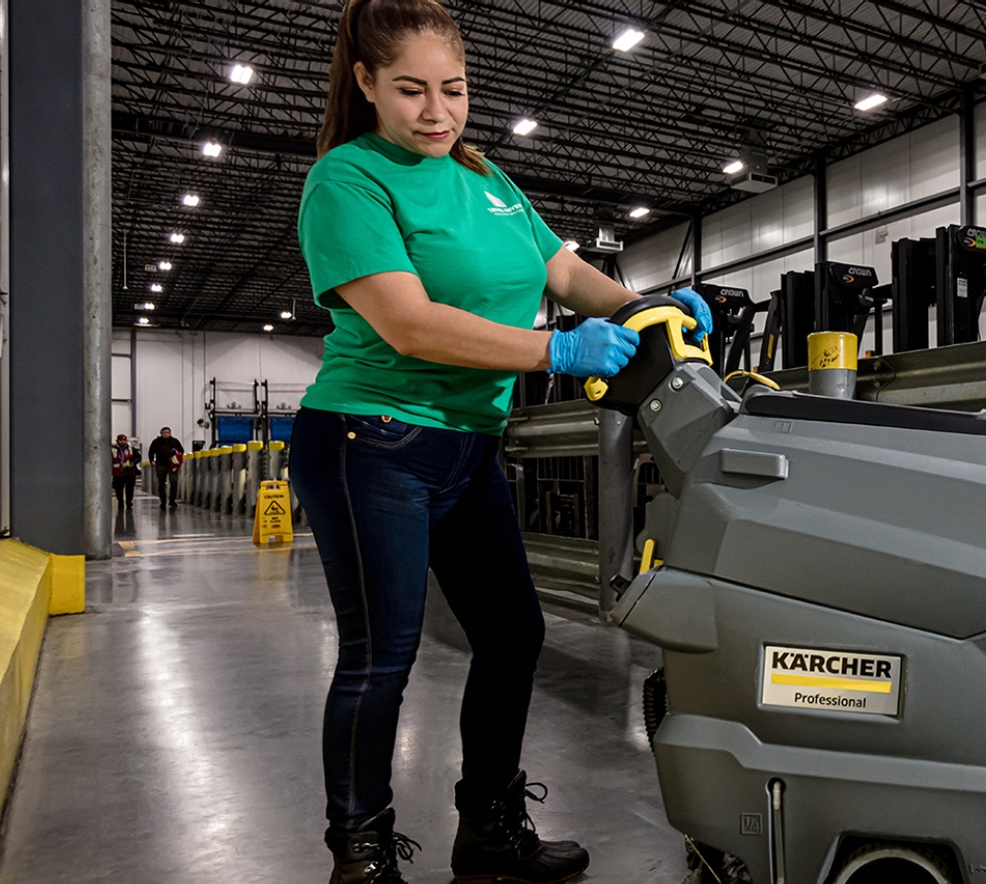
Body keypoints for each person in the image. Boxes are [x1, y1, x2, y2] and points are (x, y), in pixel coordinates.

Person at [292, 2, 714, 882]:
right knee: (382, 656)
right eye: (410, 90)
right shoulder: (348, 178)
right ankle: (360, 854)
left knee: (512, 634)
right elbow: (409, 325)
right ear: (366, 84)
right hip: (371, 441)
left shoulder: (487, 177)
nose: (436, 112)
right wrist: (555, 348)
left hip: (467, 447)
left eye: (453, 89)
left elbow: (562, 271)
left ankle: (488, 828)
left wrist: (647, 306)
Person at [148, 427, 185, 510]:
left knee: (174, 481)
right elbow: (151, 451)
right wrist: (151, 460)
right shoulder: (156, 442)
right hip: (161, 464)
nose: (166, 434)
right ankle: (163, 501)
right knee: (161, 483)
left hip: (172, 465)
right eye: (164, 432)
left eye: (168, 432)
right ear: (161, 433)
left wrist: (177, 458)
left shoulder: (175, 441)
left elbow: (181, 451)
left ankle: (172, 500)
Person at [110, 434, 139, 510]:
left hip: (129, 472)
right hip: (117, 473)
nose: (123, 442)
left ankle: (129, 501)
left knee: (130, 488)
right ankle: (120, 501)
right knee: (118, 489)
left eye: (124, 440)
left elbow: (138, 457)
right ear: (117, 441)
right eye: (121, 441)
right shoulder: (113, 450)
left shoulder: (131, 449)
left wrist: (133, 463)